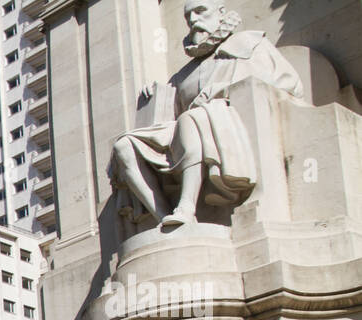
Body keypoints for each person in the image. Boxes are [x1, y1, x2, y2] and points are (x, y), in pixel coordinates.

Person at [110, 0, 302, 229]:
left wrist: (222, 90)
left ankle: (186, 208)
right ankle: (162, 216)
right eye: (188, 16)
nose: (193, 20)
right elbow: (169, 113)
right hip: (185, 129)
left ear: (221, 13)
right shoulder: (185, 73)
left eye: (200, 12)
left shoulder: (249, 43)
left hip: (221, 120)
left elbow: (287, 83)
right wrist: (156, 94)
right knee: (124, 145)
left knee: (190, 120)